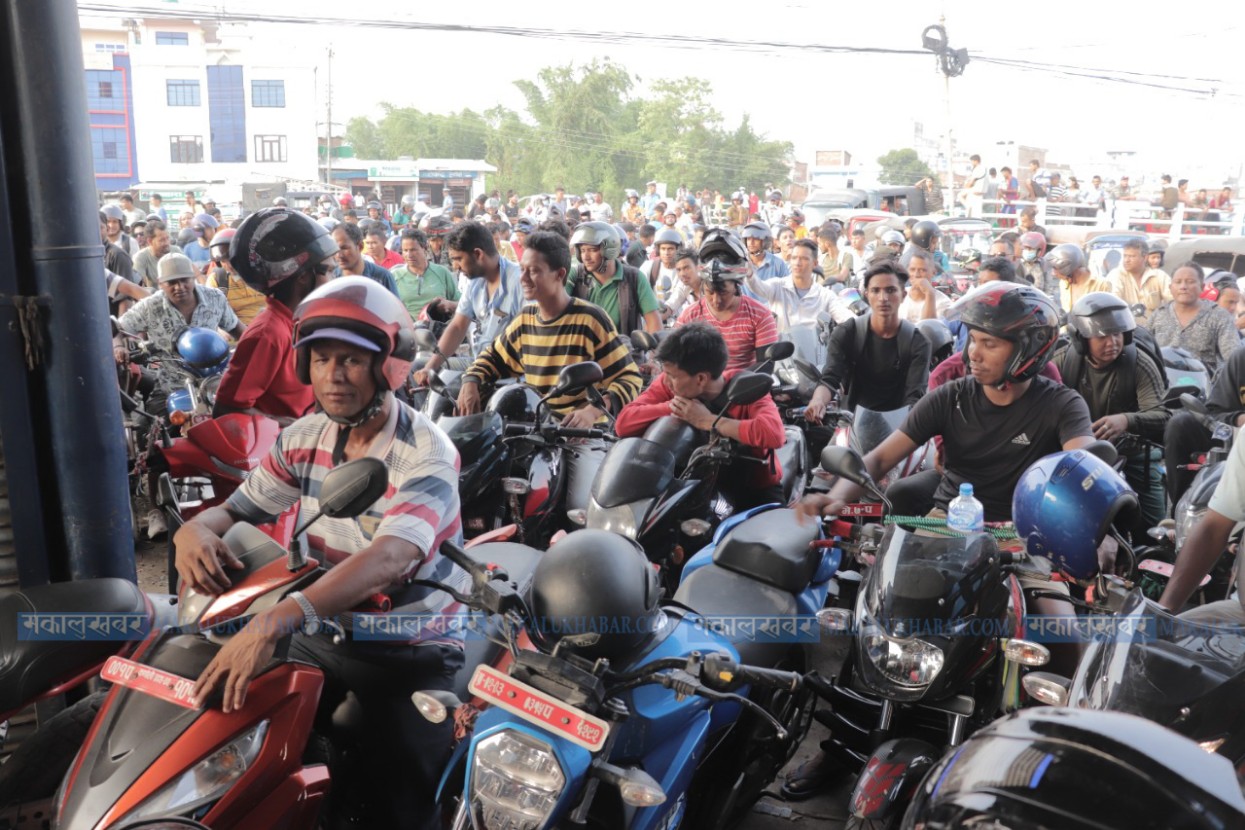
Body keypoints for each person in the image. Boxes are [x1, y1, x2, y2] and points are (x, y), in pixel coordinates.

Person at [176, 276, 467, 829]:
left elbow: (392, 558)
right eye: (322, 358)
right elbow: (237, 510)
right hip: (315, 627)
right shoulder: (303, 435)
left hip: (403, 646)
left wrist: (273, 623)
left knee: (400, 795)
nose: (334, 375)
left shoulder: (427, 453)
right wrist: (192, 531)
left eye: (353, 360)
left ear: (388, 367)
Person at [785, 282, 1093, 799]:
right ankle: (840, 747)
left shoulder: (1061, 403)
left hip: (1023, 539)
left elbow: (1083, 461)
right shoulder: (950, 396)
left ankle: (1051, 759)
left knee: (1062, 633)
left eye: (990, 343)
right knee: (875, 625)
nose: (974, 351)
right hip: (941, 529)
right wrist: (834, 497)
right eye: (972, 338)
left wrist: (1091, 512)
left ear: (1028, 350)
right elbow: (879, 458)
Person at [459, 231, 642, 510]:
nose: (523, 279)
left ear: (559, 274)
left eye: (534, 271)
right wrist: (471, 380)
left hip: (582, 437)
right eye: (522, 270)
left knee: (579, 510)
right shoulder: (525, 320)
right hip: (534, 432)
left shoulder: (590, 319)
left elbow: (630, 377)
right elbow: (493, 357)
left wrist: (591, 412)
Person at [615, 322, 787, 509]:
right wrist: (674, 407)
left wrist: (710, 421)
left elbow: (774, 433)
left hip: (752, 489)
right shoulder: (668, 385)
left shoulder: (746, 386)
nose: (666, 381)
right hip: (688, 485)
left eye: (673, 375)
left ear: (701, 379)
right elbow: (623, 423)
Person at [1051, 293, 1169, 530]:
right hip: (1075, 457)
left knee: (1156, 529)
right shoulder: (1062, 361)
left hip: (1133, 454)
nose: (1112, 342)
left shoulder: (1139, 363)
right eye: (1102, 336)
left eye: (1117, 334)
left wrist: (1126, 420)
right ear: (1082, 339)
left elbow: (1164, 415)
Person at [212, 208, 339, 426]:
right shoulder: (268, 334)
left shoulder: (301, 322)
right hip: (288, 451)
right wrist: (289, 425)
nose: (332, 280)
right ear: (301, 276)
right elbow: (227, 408)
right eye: (326, 271)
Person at [804, 260, 931, 422]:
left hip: (901, 427)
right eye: (876, 291)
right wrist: (817, 401)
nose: (883, 298)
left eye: (891, 290)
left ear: (903, 295)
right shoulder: (846, 333)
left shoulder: (918, 342)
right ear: (867, 295)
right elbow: (830, 378)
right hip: (852, 422)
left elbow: (915, 396)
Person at [411, 221, 524, 385]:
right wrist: (430, 367)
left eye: (458, 259)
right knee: (418, 367)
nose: (455, 266)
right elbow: (457, 326)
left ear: (478, 254)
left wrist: (473, 377)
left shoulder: (520, 282)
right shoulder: (474, 282)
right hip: (478, 363)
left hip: (509, 372)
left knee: (453, 386)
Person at [677, 230, 779, 371]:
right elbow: (676, 361)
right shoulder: (689, 316)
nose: (716, 300)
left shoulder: (760, 316)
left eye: (723, 292)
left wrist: (724, 384)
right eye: (709, 292)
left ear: (737, 285)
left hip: (747, 388)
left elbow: (765, 366)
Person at [744, 238, 853, 348]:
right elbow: (759, 287)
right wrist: (749, 274)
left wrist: (864, 325)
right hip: (782, 358)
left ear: (815, 263)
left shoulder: (825, 295)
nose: (798, 263)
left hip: (815, 359)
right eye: (794, 258)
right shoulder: (778, 286)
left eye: (804, 258)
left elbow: (846, 317)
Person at [566, 221, 662, 335]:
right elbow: (554, 307)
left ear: (610, 249)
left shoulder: (634, 278)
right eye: (582, 250)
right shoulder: (575, 275)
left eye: (592, 250)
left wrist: (650, 349)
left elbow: (654, 324)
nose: (586, 257)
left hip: (624, 350)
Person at [1149, 262, 1239, 375]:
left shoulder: (1219, 316)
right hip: (1162, 384)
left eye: (1190, 282)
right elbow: (1144, 352)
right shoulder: (1158, 315)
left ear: (1202, 287)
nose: (1183, 287)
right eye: (1178, 282)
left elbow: (1233, 358)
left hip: (1204, 386)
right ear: (1171, 287)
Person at [392, 227, 459, 320]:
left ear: (425, 248)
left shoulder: (442, 272)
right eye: (405, 250)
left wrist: (449, 305)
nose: (409, 255)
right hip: (408, 331)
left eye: (413, 250)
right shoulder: (395, 276)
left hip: (439, 330)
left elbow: (461, 304)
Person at [205, 228, 267, 326]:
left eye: (232, 258)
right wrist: (220, 331)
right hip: (236, 334)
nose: (229, 265)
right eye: (223, 261)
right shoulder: (218, 280)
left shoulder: (264, 274)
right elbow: (211, 314)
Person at [1106, 237, 1171, 319]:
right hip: (1125, 329)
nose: (1126, 260)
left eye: (1131, 256)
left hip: (1153, 329)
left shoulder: (1160, 276)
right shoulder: (1116, 275)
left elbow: (1173, 301)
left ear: (1145, 257)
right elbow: (1114, 300)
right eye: (1125, 256)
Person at [332, 221, 399, 296]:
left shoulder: (382, 277)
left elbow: (394, 306)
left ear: (360, 246)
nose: (338, 255)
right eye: (334, 249)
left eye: (344, 248)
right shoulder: (331, 279)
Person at [1046, 243, 1110, 312]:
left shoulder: (1102, 285)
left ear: (1067, 267)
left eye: (1055, 268)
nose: (1053, 273)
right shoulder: (1064, 283)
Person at [897, 250, 952, 322]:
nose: (916, 275)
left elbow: (930, 329)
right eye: (912, 269)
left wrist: (929, 293)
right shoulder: (898, 295)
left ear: (933, 272)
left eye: (922, 270)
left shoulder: (943, 302)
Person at [132, 219, 181, 288]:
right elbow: (137, 286)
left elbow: (193, 274)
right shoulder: (140, 257)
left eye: (167, 238)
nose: (167, 243)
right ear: (150, 241)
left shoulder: (176, 251)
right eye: (162, 240)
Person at [643, 227, 684, 308]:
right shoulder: (649, 266)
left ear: (678, 250)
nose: (666, 253)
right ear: (658, 250)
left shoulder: (683, 270)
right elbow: (640, 289)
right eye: (663, 249)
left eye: (671, 249)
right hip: (654, 313)